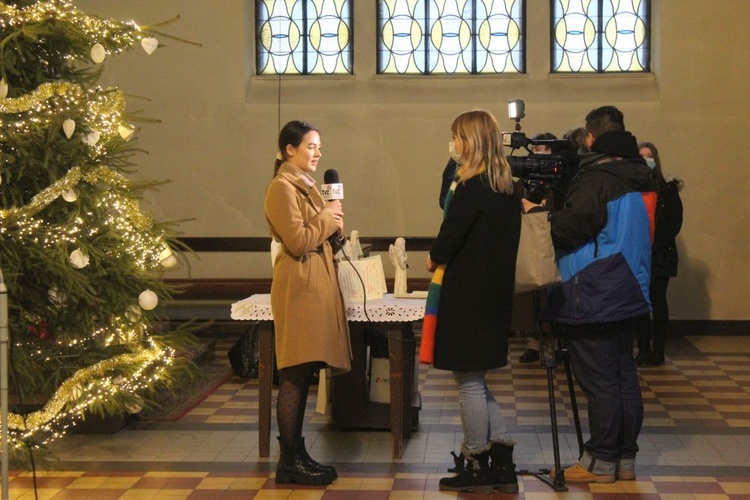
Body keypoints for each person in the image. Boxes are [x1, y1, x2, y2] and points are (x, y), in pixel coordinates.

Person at [523, 106, 656, 483]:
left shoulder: (598, 177)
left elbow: (571, 228)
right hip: (630, 285)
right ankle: (623, 460)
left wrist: (541, 213)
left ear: (591, 138)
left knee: (599, 380)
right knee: (622, 376)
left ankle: (599, 460)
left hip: (595, 289)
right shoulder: (639, 174)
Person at [426, 110, 522, 494]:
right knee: (476, 381)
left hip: (466, 295)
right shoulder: (508, 189)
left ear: (470, 141)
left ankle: (476, 460)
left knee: (468, 382)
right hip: (494, 294)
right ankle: (501, 462)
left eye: (456, 137)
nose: (453, 144)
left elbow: (449, 238)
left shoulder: (471, 188)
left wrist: (434, 257)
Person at [263, 120, 352, 485]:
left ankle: (298, 455)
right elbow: (298, 241)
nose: (318, 153)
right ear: (290, 149)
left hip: (314, 281)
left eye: (319, 146)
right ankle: (289, 462)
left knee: (304, 371)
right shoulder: (281, 188)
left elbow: (319, 232)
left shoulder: (306, 186)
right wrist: (327, 219)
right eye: (311, 146)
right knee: (295, 373)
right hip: (298, 284)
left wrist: (335, 226)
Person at [635, 141, 684, 367]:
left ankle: (658, 351)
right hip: (640, 254)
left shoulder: (668, 190)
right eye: (641, 156)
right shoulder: (633, 189)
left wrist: (655, 245)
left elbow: (673, 223)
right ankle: (643, 350)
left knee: (658, 302)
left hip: (661, 254)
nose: (646, 159)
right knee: (640, 305)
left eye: (649, 155)